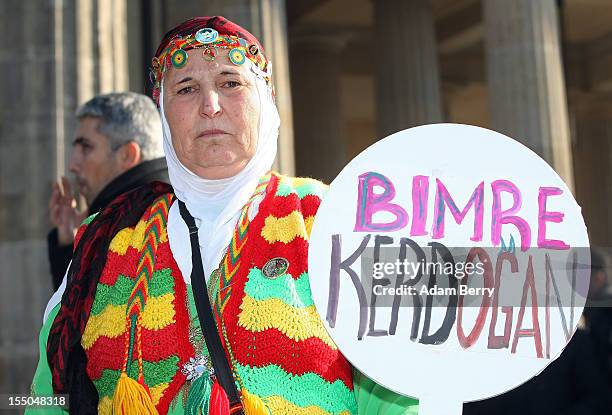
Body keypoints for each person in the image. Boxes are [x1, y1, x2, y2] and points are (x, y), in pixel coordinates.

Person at [29, 16, 418, 415]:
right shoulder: (105, 239)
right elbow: (46, 398)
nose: (210, 107)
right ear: (163, 111)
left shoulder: (334, 218)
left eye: (231, 83)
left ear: (264, 100)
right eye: (186, 88)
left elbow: (401, 392)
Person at [47, 92, 168, 290]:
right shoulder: (128, 212)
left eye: (86, 147)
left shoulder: (146, 217)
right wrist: (71, 244)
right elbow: (75, 313)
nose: (73, 165)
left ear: (127, 155)